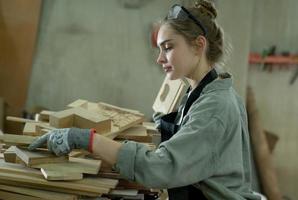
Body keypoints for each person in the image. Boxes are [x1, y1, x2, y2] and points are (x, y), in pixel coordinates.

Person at [28, 1, 261, 199]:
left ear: (199, 45)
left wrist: (86, 140)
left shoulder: (215, 106)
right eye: (159, 49)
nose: (160, 58)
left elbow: (162, 167)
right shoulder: (197, 91)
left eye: (168, 48)